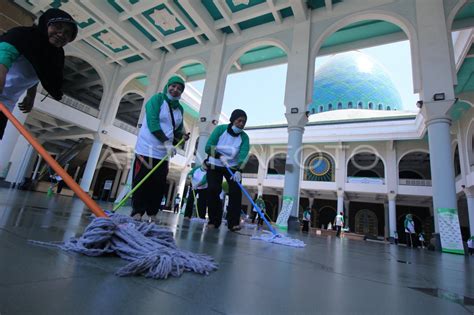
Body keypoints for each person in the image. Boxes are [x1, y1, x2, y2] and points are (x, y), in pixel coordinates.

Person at [0, 8, 78, 139]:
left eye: (67, 34)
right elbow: (2, 60)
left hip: (6, 104)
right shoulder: (21, 36)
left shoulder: (53, 56)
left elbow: (39, 72)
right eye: (58, 27)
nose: (61, 34)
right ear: (46, 23)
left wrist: (31, 96)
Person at [131, 76, 189, 222]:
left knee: (158, 184)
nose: (175, 90)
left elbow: (176, 130)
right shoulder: (157, 99)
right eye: (173, 86)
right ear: (168, 86)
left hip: (163, 153)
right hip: (146, 148)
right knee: (141, 181)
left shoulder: (179, 109)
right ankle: (137, 211)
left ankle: (152, 213)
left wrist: (180, 138)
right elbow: (153, 122)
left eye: (179, 88)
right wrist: (166, 142)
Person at [206, 109, 250, 231]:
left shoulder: (244, 137)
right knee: (213, 189)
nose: (241, 124)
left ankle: (233, 223)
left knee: (235, 192)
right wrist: (219, 156)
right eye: (239, 120)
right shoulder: (220, 130)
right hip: (215, 163)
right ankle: (214, 220)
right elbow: (208, 147)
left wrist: (239, 170)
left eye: (244, 122)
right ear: (232, 120)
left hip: (233, 167)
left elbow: (244, 154)